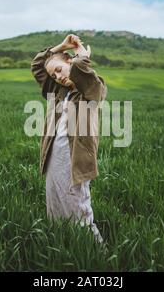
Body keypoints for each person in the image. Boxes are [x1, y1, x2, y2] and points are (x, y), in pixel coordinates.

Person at [31, 34, 107, 244]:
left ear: (71, 63)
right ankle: (63, 243)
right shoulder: (58, 90)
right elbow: (38, 66)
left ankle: (94, 251)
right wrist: (60, 47)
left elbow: (85, 75)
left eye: (59, 70)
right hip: (55, 158)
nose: (57, 77)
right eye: (53, 75)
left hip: (76, 162)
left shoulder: (91, 89)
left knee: (77, 206)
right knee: (55, 202)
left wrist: (80, 58)